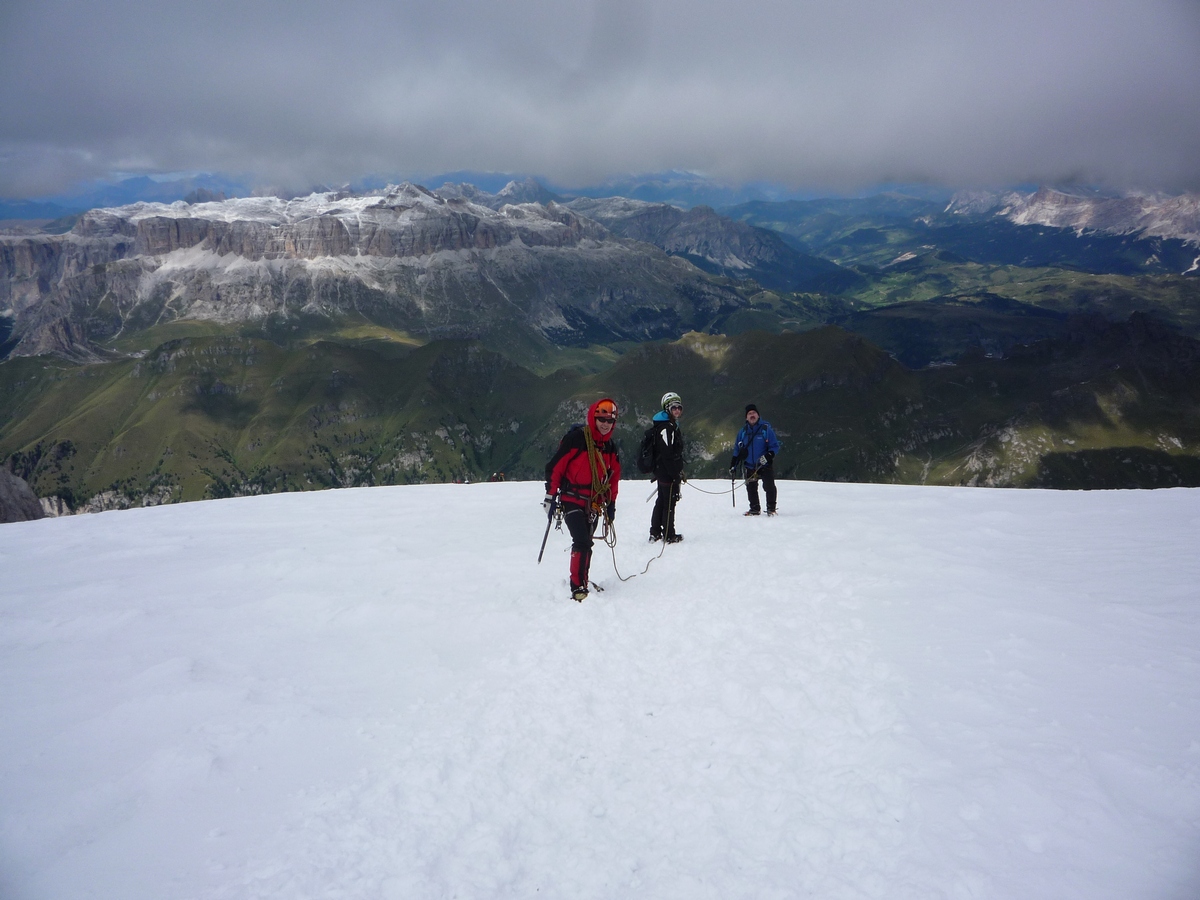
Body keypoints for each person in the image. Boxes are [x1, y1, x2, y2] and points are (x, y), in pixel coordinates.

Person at [544, 398, 622, 601]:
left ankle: (582, 581)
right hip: (571, 498)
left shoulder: (609, 447)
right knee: (581, 540)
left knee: (586, 541)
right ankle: (578, 586)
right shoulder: (577, 439)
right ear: (593, 419)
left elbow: (613, 477)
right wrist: (550, 496)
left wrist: (611, 504)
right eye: (602, 420)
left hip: (594, 502)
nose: (605, 424)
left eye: (610, 421)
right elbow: (555, 468)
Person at [730, 403, 780, 516]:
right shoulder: (742, 432)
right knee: (751, 488)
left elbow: (775, 446)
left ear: (758, 415)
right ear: (746, 418)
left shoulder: (766, 430)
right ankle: (754, 509)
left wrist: (769, 456)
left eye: (754, 413)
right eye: (749, 414)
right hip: (749, 465)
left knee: (769, 486)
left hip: (764, 464)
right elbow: (737, 449)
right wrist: (733, 464)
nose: (752, 415)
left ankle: (771, 509)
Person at [648, 391, 685, 543]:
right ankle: (669, 535)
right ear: (667, 409)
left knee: (662, 500)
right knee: (669, 502)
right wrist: (675, 474)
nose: (677, 410)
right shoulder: (667, 428)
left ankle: (655, 532)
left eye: (679, 408)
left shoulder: (665, 425)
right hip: (667, 472)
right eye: (674, 407)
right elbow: (667, 454)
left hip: (661, 470)